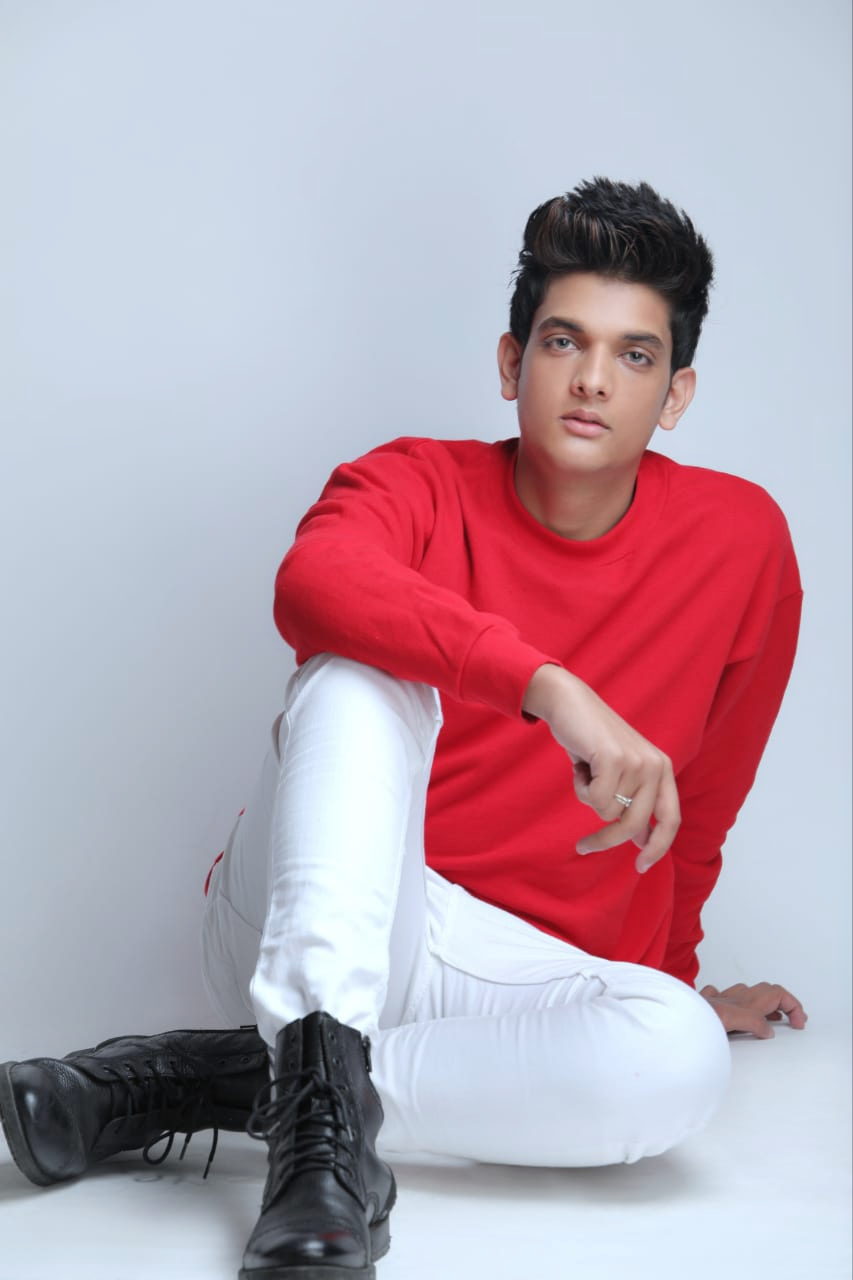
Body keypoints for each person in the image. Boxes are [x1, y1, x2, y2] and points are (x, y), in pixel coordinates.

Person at [0, 178, 807, 1280]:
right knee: (354, 669)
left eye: (633, 355)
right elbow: (313, 582)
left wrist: (673, 982)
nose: (590, 379)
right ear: (510, 362)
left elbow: (696, 806)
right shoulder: (414, 481)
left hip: (508, 978)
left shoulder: (741, 542)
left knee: (680, 1058)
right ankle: (322, 1151)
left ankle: (216, 1084)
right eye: (563, 341)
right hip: (325, 916)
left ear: (675, 394)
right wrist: (546, 684)